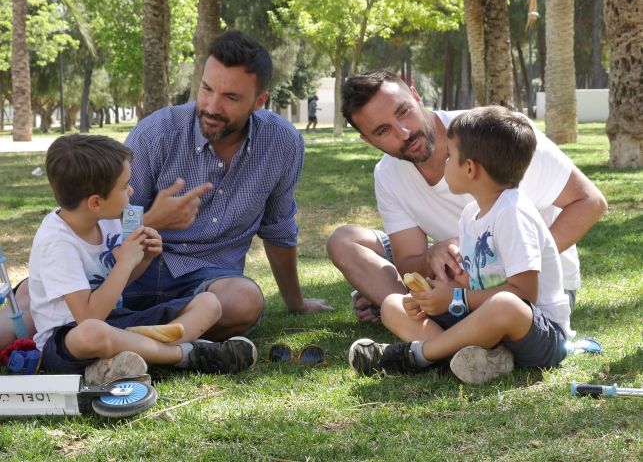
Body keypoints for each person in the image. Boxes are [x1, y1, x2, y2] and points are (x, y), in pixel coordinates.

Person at [0, 30, 331, 350]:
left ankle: (119, 340)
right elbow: (102, 215)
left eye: (230, 97)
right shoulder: (157, 133)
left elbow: (278, 230)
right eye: (207, 89)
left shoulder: (282, 144)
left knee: (245, 301)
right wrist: (153, 219)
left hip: (208, 279)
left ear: (259, 101)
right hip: (128, 270)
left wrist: (295, 303)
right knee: (38, 301)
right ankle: (149, 340)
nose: (212, 105)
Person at [327, 70, 607, 326]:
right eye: (383, 130)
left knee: (498, 309)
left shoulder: (494, 134)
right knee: (344, 241)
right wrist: (430, 256)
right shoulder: (387, 174)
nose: (404, 132)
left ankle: (415, 322)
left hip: (528, 286)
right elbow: (408, 261)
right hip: (458, 273)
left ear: (415, 94)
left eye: (404, 111)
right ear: (368, 140)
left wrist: (505, 262)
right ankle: (415, 312)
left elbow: (590, 202)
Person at [348, 107, 573, 383]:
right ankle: (481, 359)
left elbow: (524, 294)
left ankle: (416, 355)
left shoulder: (514, 213)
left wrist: (456, 299)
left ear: (469, 168)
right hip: (484, 321)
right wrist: (435, 296)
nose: (443, 164)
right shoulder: (470, 215)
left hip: (538, 334)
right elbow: (473, 280)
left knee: (505, 304)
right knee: (394, 305)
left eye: (449, 156)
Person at [30, 134, 256, 383]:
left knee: (209, 303)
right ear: (95, 202)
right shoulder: (57, 241)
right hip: (68, 342)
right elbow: (87, 317)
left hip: (116, 322)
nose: (132, 190)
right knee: (92, 333)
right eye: (124, 186)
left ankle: (126, 357)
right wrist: (125, 262)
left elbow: (115, 286)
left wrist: (144, 259)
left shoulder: (108, 220)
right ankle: (183, 355)